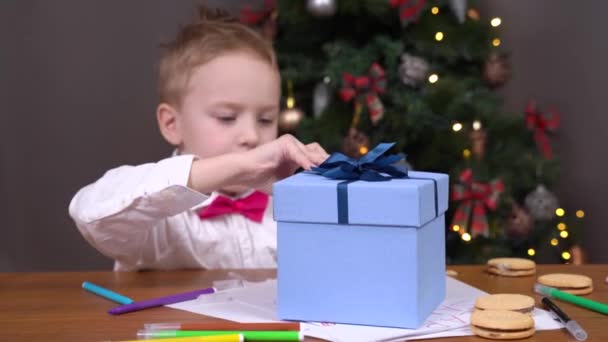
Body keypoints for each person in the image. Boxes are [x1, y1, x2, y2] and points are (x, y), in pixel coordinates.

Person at [69, 7, 328, 271]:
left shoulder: (285, 212)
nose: (251, 136)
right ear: (172, 124)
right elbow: (90, 214)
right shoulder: (158, 222)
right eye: (227, 117)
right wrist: (233, 167)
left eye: (266, 120)